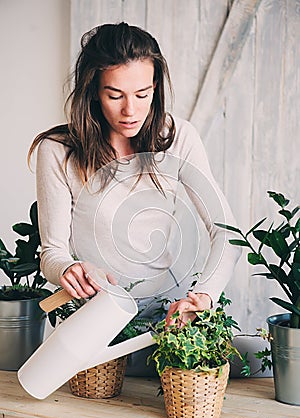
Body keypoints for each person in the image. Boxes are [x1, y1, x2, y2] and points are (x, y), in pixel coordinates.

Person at [28, 22, 240, 340]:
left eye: (143, 94)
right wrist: (67, 270)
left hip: (166, 318)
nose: (130, 110)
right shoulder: (58, 150)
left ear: (156, 88)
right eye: (115, 95)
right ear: (94, 92)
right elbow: (53, 252)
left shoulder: (178, 138)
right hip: (92, 318)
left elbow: (226, 232)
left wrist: (204, 297)